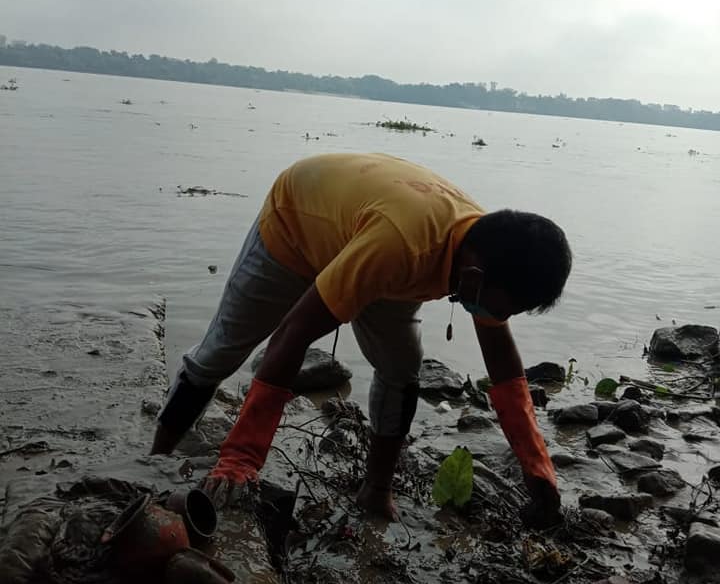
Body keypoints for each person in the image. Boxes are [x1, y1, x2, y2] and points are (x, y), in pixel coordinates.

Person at [151, 152, 572, 527]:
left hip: (372, 241)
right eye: (502, 309)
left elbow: (503, 365)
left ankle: (376, 491)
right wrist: (241, 458)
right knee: (219, 354)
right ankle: (155, 460)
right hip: (297, 222)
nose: (499, 319)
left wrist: (538, 469)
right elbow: (293, 333)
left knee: (401, 368)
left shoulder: (486, 253)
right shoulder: (404, 245)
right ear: (474, 277)